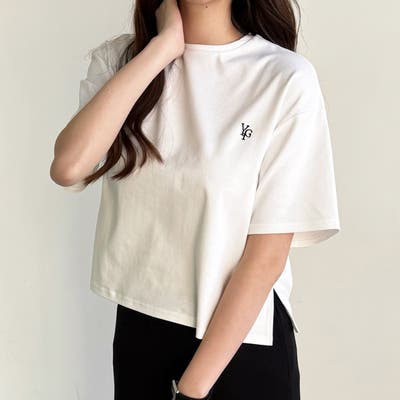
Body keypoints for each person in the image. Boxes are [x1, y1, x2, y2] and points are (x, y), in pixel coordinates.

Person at [50, 0, 341, 399]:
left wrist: (193, 389)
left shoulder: (284, 77)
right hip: (141, 333)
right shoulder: (123, 61)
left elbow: (267, 254)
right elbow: (69, 166)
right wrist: (163, 48)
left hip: (237, 343)